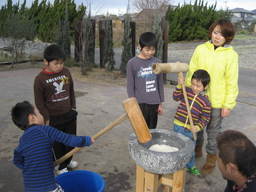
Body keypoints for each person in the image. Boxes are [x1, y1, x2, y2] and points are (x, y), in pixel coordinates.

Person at [185, 19, 239, 175]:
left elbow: (231, 81)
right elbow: (191, 72)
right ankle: (196, 152)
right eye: (215, 32)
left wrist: (228, 104)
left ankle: (211, 159)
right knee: (197, 128)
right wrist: (189, 92)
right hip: (198, 98)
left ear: (227, 37)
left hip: (216, 102)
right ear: (211, 32)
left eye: (222, 35)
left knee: (213, 133)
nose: (217, 37)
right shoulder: (200, 49)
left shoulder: (231, 55)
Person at [12, 101, 94, 192]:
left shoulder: (23, 140)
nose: (41, 114)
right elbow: (69, 140)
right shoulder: (45, 130)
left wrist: (34, 167)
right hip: (48, 188)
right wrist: (86, 140)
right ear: (32, 118)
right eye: (39, 112)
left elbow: (17, 160)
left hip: (29, 189)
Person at [34, 44, 78, 175]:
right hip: (53, 118)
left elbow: (71, 90)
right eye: (56, 63)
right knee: (58, 144)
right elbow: (39, 102)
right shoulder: (40, 79)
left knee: (71, 140)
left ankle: (68, 160)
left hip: (69, 114)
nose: (59, 66)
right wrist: (46, 117)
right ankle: (60, 166)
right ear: (46, 62)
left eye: (62, 63)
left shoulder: (66, 72)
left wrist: (73, 106)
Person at [173, 69, 211, 176]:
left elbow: (205, 118)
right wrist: (180, 86)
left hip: (191, 130)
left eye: (198, 86)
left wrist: (198, 127)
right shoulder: (186, 91)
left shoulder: (205, 102)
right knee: (176, 146)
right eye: (193, 84)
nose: (194, 88)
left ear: (205, 87)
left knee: (189, 149)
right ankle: (175, 164)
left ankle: (191, 166)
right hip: (178, 125)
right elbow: (175, 97)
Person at [126, 32, 164, 129]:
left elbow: (160, 83)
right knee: (141, 130)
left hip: (154, 102)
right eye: (147, 49)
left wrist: (160, 103)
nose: (150, 52)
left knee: (152, 130)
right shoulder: (132, 63)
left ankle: (150, 145)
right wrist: (132, 104)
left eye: (153, 49)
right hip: (140, 103)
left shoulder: (157, 62)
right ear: (140, 47)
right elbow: (130, 86)